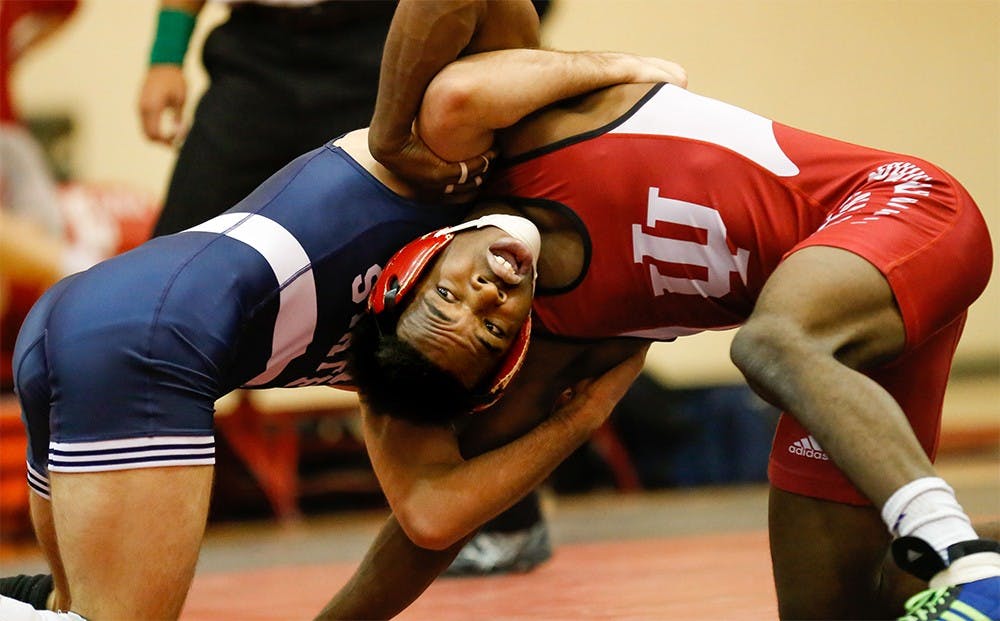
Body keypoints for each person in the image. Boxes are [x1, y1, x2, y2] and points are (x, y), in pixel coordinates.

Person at [0, 40, 685, 620]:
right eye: (449, 295)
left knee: (70, 606)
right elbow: (462, 78)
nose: (485, 295)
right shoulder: (432, 175)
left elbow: (432, 515)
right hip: (143, 343)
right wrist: (621, 66)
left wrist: (587, 413)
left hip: (73, 322)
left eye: (487, 330)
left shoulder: (402, 374)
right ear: (404, 273)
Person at [317, 54, 999, 621]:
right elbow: (431, 525)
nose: (486, 298)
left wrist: (611, 66)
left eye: (446, 297)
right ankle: (971, 561)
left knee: (767, 346)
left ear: (413, 266)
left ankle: (964, 559)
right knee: (835, 606)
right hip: (850, 346)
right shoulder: (566, 342)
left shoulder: (522, 136)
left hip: (903, 209)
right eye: (491, 330)